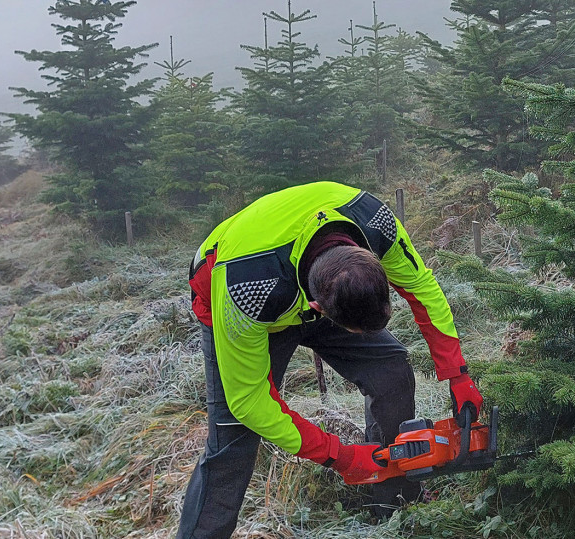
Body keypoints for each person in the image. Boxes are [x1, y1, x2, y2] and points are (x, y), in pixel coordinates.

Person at [177, 181, 483, 537]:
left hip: (313, 284)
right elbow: (250, 402)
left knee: (391, 370)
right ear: (318, 310)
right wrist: (339, 455)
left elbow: (423, 290)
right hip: (244, 295)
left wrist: (457, 375)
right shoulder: (245, 289)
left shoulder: (377, 224)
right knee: (234, 435)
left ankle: (394, 500)